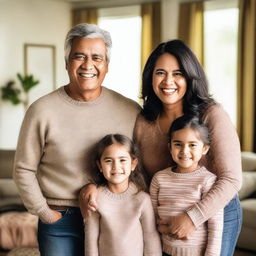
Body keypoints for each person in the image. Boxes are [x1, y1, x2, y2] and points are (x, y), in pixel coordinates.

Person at [13, 23, 141, 256]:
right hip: (59, 220)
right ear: (67, 63)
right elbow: (23, 169)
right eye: (79, 56)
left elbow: (138, 167)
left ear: (107, 65)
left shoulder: (130, 110)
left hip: (115, 216)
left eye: (97, 58)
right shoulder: (41, 110)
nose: (88, 65)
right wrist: (44, 212)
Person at [133, 39, 242, 256]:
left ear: (190, 77)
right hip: (166, 215)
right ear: (150, 77)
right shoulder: (144, 121)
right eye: (160, 72)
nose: (168, 81)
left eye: (178, 73)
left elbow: (231, 179)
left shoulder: (211, 114)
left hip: (215, 215)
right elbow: (140, 176)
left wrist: (192, 217)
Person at [150, 114, 223, 256]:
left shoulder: (208, 180)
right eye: (178, 144)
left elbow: (216, 227)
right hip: (165, 251)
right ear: (170, 147)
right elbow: (153, 218)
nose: (184, 151)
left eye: (192, 145)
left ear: (205, 149)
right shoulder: (159, 179)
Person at [84, 134, 162, 256]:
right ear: (100, 165)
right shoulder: (95, 199)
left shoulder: (142, 199)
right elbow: (91, 240)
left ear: (133, 164)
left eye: (122, 160)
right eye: (109, 160)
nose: (116, 166)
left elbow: (150, 236)